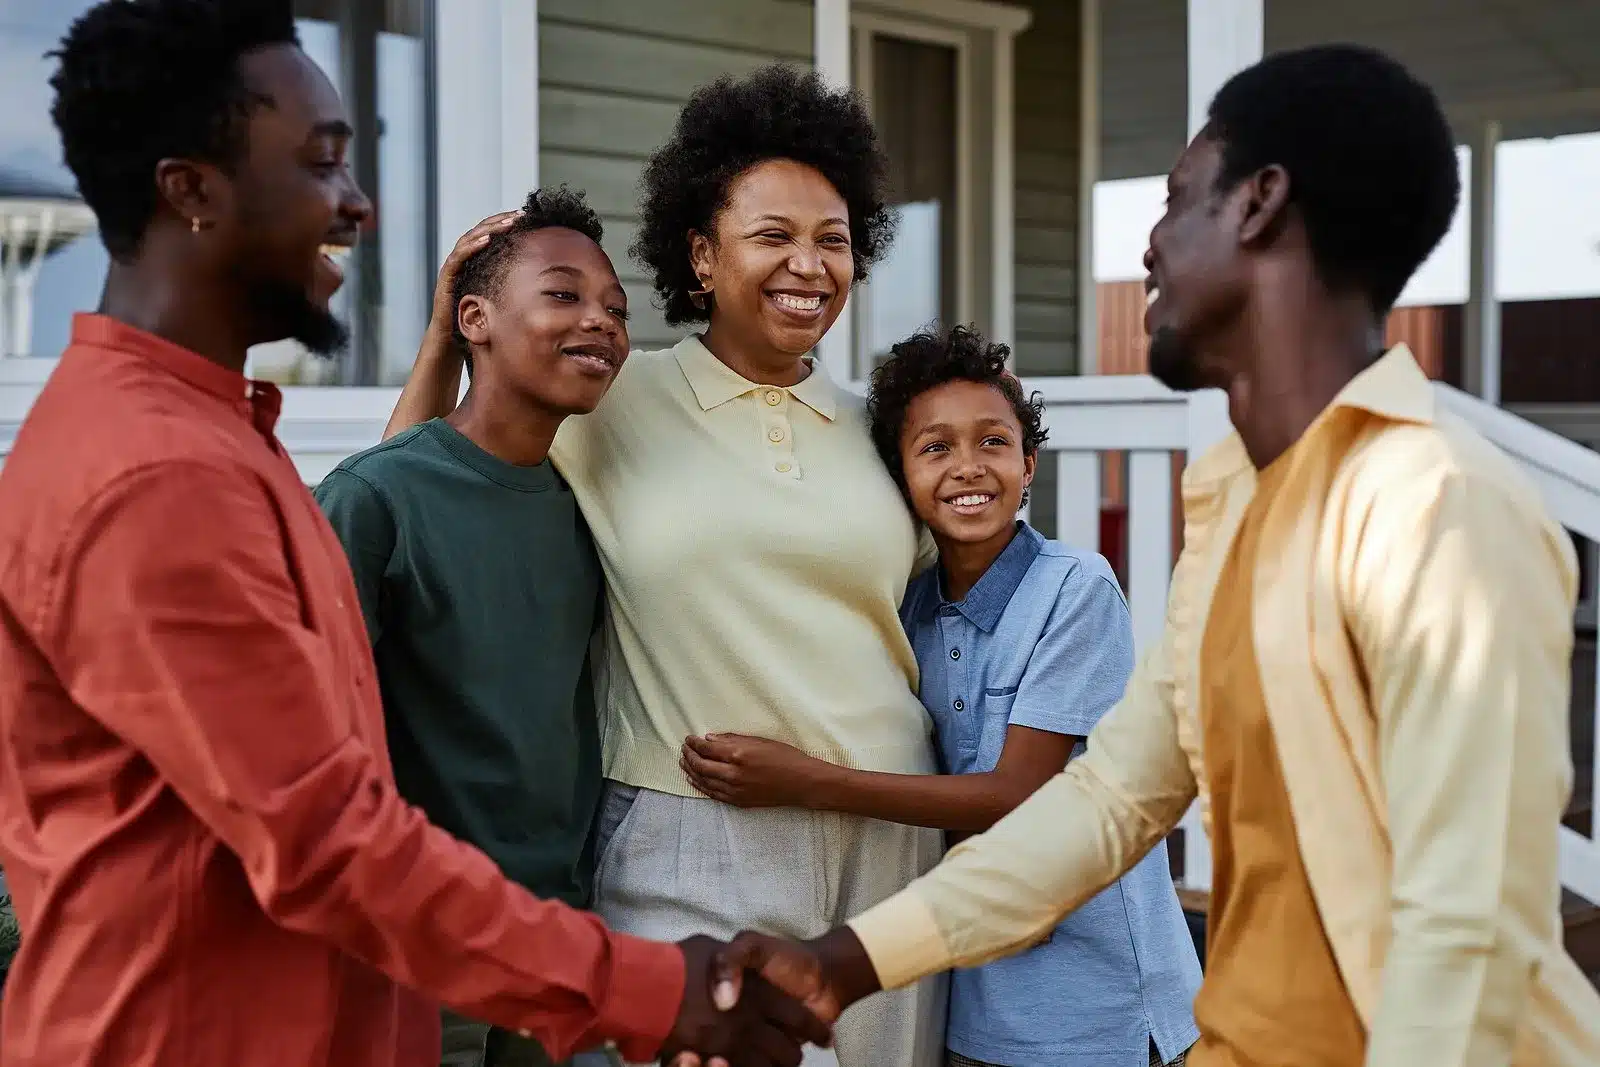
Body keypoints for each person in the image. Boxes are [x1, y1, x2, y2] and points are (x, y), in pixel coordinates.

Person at [703, 43, 1600, 1067]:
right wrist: (845, 960)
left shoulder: (1436, 509)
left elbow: (1465, 934)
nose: (1148, 248)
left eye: (1175, 201)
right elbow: (1107, 802)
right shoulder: (1235, 501)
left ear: (1258, 204)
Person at [0, 4, 828, 1066]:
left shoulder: (209, 437)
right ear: (191, 191)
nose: (356, 205)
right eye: (321, 164)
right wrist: (651, 986)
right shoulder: (156, 477)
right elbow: (325, 839)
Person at [386, 65, 946, 1067]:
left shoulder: (885, 427)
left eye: (833, 241)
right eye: (772, 236)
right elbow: (421, 488)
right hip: (690, 825)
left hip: (888, 828)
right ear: (700, 252)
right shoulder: (609, 395)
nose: (808, 265)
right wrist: (444, 335)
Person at [681, 324, 1202, 1067]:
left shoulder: (1074, 588)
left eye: (993, 442)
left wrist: (806, 781)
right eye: (935, 448)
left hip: (1103, 1006)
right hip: (978, 1006)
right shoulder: (907, 608)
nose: (968, 467)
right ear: (899, 474)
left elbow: (1021, 793)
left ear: (1028, 463)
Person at [316, 187, 632, 1067]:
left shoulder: (587, 512)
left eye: (616, 308)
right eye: (563, 294)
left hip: (556, 940)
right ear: (475, 318)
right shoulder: (373, 496)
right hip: (415, 950)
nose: (600, 322)